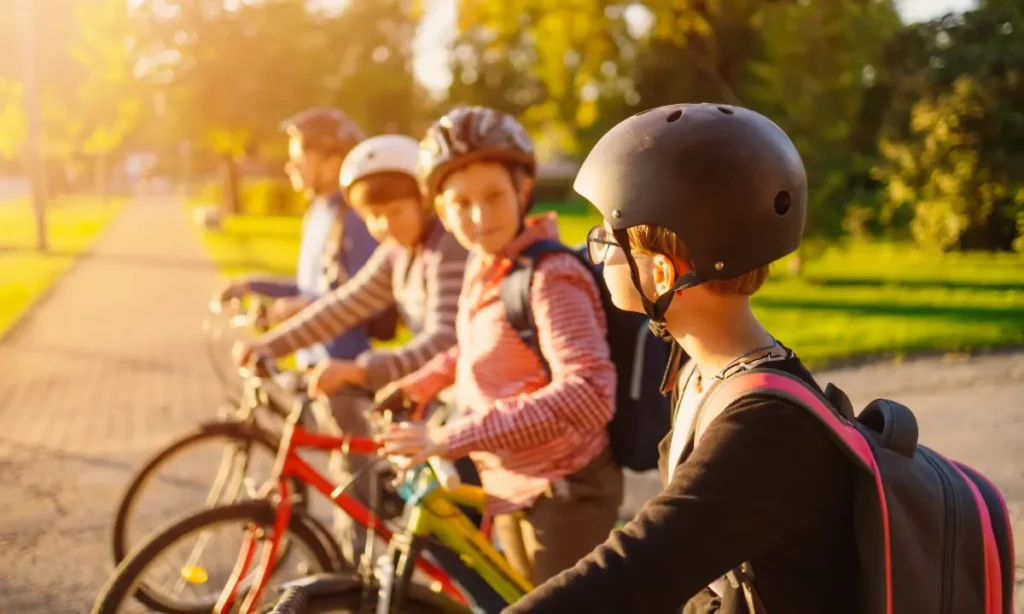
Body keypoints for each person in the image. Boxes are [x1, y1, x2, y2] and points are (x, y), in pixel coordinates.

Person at [502, 104, 860, 614]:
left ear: (664, 275)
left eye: (607, 236)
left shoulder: (765, 427)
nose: (597, 250)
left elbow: (640, 567)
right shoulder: (701, 371)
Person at [376, 106, 624, 586]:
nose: (479, 216)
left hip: (566, 491)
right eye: (460, 203)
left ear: (522, 191)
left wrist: (448, 438)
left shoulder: (550, 278)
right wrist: (418, 386)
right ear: (442, 213)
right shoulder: (485, 264)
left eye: (494, 196)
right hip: (512, 485)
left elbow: (591, 392)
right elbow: (471, 348)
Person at [233, 134, 468, 567]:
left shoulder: (447, 247)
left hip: (471, 403)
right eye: (372, 217)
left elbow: (446, 340)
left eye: (395, 212)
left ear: (424, 197)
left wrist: (360, 370)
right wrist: (271, 343)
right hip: (440, 394)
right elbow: (341, 306)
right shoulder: (399, 251)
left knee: (452, 542)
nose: (384, 227)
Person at [219, 106, 379, 371]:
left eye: (300, 158)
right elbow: (310, 287)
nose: (290, 166)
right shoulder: (317, 212)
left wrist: (302, 306)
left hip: (340, 367)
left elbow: (365, 301)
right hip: (309, 360)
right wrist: (252, 285)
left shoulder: (353, 220)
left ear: (333, 162)